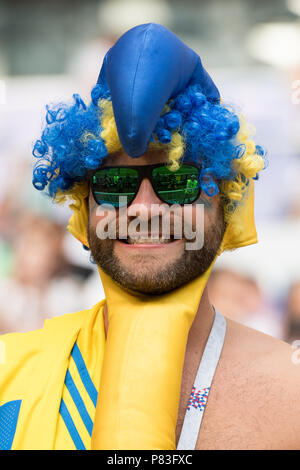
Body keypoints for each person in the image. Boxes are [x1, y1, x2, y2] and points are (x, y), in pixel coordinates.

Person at [0, 23, 299, 450]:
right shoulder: (8, 380)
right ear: (85, 207)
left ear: (226, 202)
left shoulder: (292, 397)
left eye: (177, 182)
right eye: (116, 183)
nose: (142, 209)